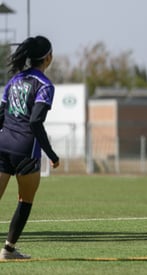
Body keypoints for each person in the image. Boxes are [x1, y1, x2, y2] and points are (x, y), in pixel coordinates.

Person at [0, 36, 60, 260]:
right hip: (25, 150)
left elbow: (0, 117)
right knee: (24, 200)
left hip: (2, 145)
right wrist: (52, 154)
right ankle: (8, 250)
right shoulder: (44, 85)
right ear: (48, 57)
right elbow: (35, 121)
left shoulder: (13, 81)